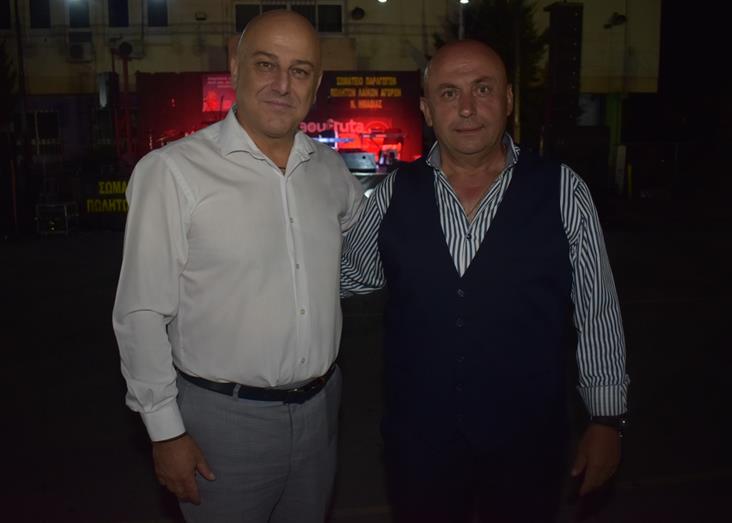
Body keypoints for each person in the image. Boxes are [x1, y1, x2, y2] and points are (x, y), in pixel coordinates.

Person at [341, 39, 629, 523]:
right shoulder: (394, 192)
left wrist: (606, 419)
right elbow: (349, 275)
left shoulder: (563, 189)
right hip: (419, 446)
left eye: (483, 89)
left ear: (508, 99)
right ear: (427, 110)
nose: (467, 108)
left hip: (528, 444)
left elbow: (597, 310)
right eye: (449, 93)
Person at [113, 10, 363, 523]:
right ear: (235, 64)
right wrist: (166, 432)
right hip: (220, 426)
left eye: (299, 71)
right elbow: (140, 314)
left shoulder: (330, 171)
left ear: (316, 83)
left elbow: (364, 253)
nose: (282, 85)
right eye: (266, 64)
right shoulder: (173, 173)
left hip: (321, 415)